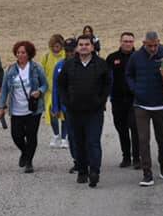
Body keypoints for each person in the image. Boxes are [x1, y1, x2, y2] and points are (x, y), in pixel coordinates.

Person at [127, 31, 163, 186]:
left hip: (160, 103)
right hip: (141, 104)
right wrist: (135, 89)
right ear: (144, 43)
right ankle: (147, 173)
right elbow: (128, 74)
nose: (153, 48)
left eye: (155, 45)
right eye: (149, 46)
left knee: (162, 138)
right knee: (143, 140)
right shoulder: (136, 56)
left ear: (158, 42)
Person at [57, 34, 110, 188]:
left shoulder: (101, 64)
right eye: (81, 44)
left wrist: (101, 101)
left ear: (92, 47)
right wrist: (67, 102)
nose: (84, 47)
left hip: (94, 111)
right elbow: (61, 85)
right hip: (74, 111)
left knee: (93, 141)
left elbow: (107, 84)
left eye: (87, 44)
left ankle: (94, 171)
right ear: (77, 47)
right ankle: (82, 171)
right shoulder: (69, 65)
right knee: (78, 142)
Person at [0, 41, 47, 173]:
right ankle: (25, 152)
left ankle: (29, 162)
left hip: (33, 109)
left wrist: (39, 92)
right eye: (18, 52)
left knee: (31, 136)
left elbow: (45, 85)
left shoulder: (37, 68)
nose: (20, 55)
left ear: (29, 53)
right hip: (16, 110)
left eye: (23, 52)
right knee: (16, 135)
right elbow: (4, 90)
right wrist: (0, 107)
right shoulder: (10, 70)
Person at [106, 32, 140, 169]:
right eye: (125, 41)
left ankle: (137, 158)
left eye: (130, 41)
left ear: (134, 42)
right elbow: (106, 78)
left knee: (135, 128)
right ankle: (126, 157)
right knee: (122, 129)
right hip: (118, 100)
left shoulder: (138, 57)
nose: (128, 44)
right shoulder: (112, 58)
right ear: (120, 42)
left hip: (134, 100)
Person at [51, 38, 78, 171]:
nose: (69, 53)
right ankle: (77, 160)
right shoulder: (60, 66)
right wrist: (55, 106)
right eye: (67, 51)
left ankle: (87, 159)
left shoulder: (83, 64)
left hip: (83, 106)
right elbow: (56, 87)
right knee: (72, 136)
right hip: (67, 107)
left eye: (72, 50)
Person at [39, 34, 68, 149]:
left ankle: (64, 138)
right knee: (52, 113)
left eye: (58, 46)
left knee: (65, 114)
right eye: (53, 46)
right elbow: (41, 72)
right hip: (49, 91)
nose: (55, 49)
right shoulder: (46, 56)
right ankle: (56, 134)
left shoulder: (66, 56)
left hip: (64, 91)